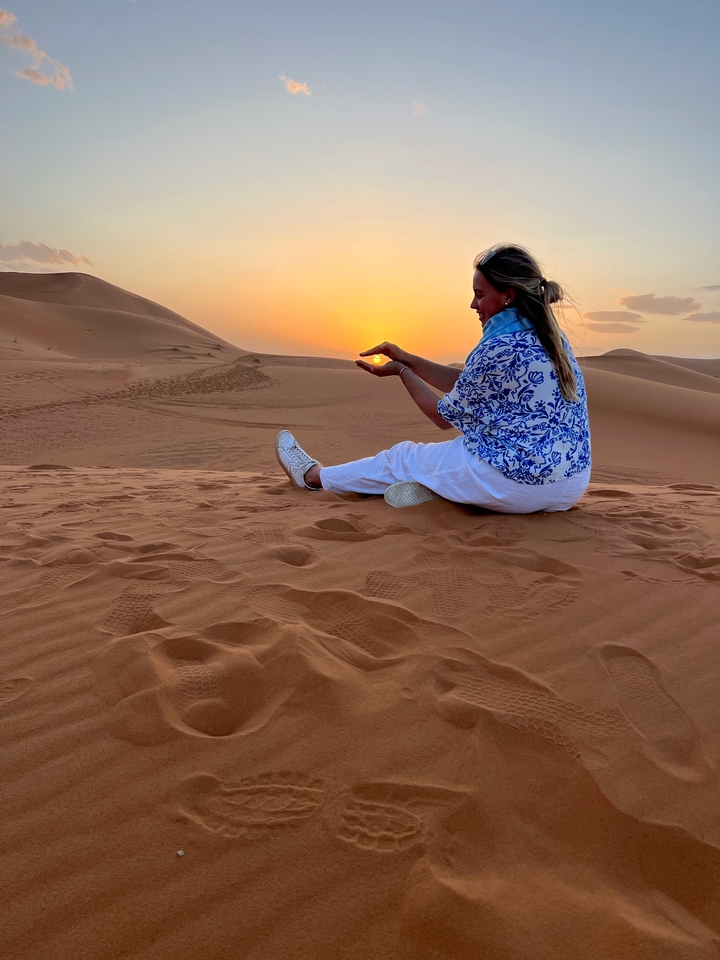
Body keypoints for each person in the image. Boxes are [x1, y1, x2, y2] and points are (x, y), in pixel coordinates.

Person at [275, 243, 591, 512]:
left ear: (508, 295)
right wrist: (409, 357)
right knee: (450, 461)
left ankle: (312, 476)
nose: (473, 304)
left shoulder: (497, 346)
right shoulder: (552, 337)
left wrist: (402, 371)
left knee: (401, 458)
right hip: (568, 485)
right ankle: (446, 492)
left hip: (518, 485)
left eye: (479, 295)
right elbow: (473, 385)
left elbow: (442, 417)